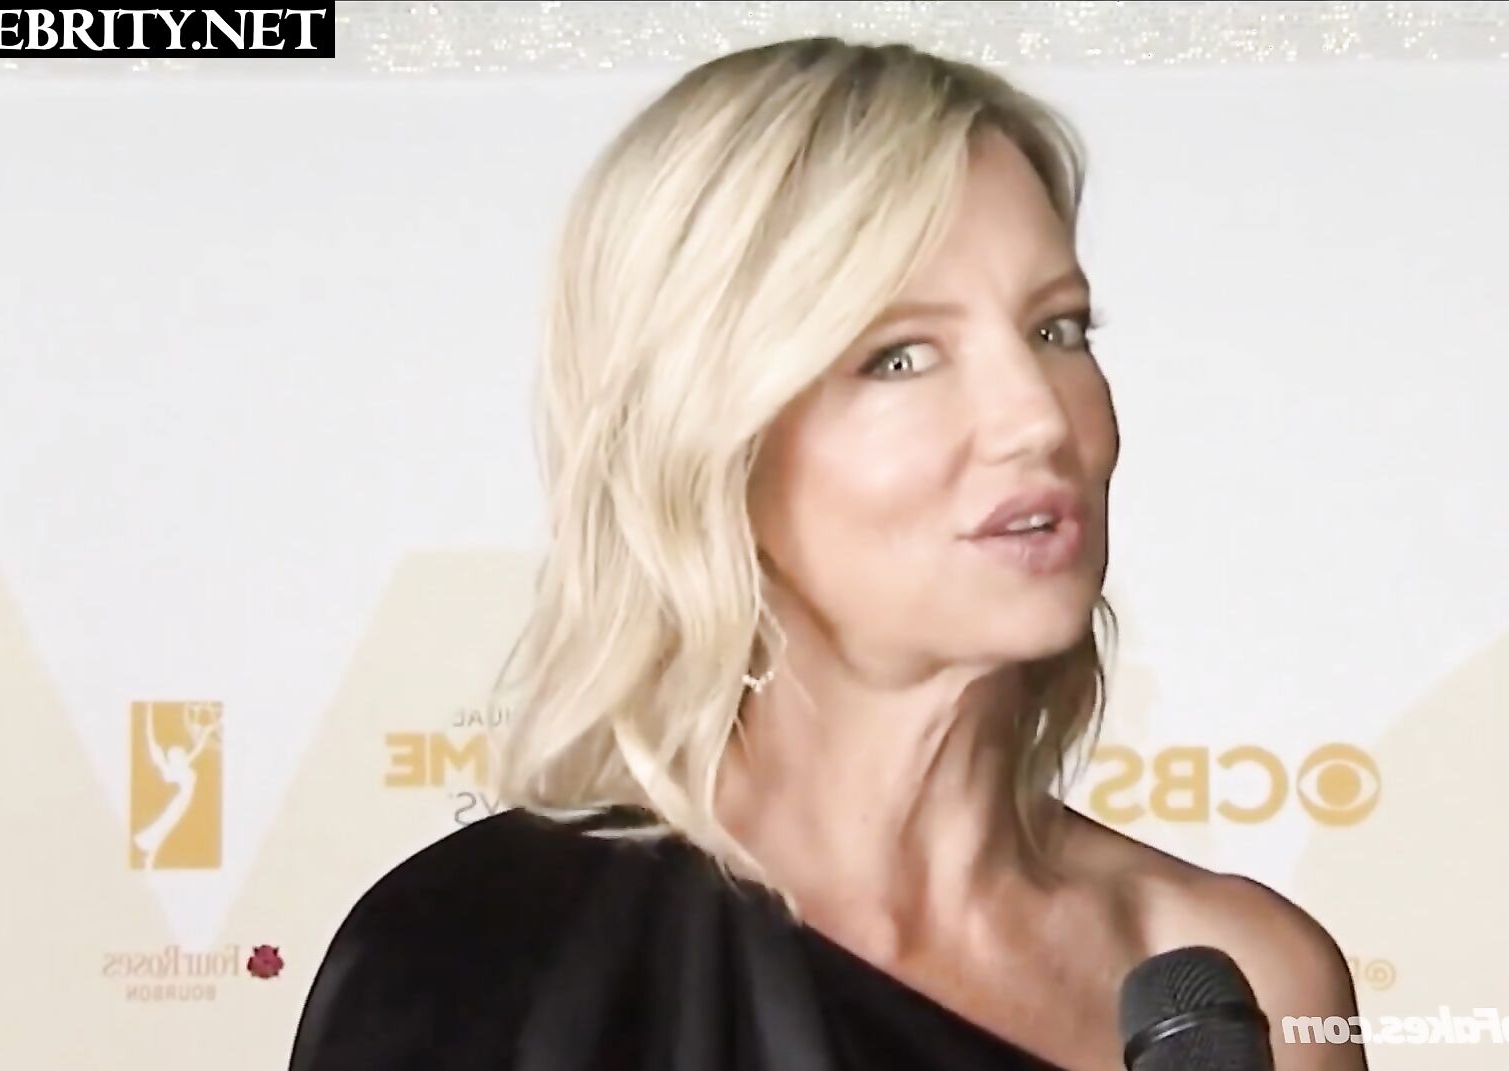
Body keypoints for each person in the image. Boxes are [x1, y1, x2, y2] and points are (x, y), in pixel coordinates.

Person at [288, 36, 1367, 1071]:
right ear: (711, 440)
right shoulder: (475, 956)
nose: (1039, 417)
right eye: (899, 356)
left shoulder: (1249, 979)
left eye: (1058, 330)